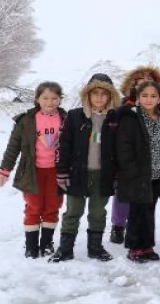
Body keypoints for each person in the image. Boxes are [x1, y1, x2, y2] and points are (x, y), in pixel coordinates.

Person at [50, 74, 121, 263]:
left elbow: (121, 149)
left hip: (103, 175)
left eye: (104, 94)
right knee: (73, 211)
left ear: (110, 97)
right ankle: (65, 249)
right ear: (87, 95)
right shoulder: (74, 116)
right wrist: (62, 171)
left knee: (98, 212)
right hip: (77, 173)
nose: (99, 98)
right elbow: (63, 145)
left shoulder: (116, 118)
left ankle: (95, 248)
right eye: (95, 93)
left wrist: (118, 174)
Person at [0, 81, 67, 258]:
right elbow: (13, 146)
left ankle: (46, 243)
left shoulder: (67, 119)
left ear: (60, 99)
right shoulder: (26, 120)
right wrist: (5, 170)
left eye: (54, 98)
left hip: (57, 172)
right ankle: (30, 246)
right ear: (37, 99)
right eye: (45, 98)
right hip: (31, 172)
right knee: (34, 206)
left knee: (52, 206)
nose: (49, 102)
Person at [115, 80, 160, 262]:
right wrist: (131, 170)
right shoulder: (131, 118)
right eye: (144, 95)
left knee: (149, 210)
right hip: (138, 173)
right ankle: (135, 247)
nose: (149, 99)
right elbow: (123, 147)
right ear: (137, 98)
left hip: (159, 172)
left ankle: (147, 246)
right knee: (136, 211)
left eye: (153, 96)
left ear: (159, 98)